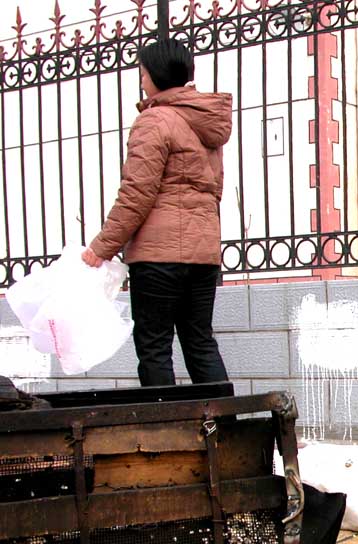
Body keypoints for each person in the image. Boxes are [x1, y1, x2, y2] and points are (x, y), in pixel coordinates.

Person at [81, 39, 232, 387]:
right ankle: (226, 431)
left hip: (159, 256)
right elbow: (214, 190)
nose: (142, 80)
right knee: (200, 342)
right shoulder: (207, 122)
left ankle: (169, 436)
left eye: (143, 73)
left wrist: (101, 248)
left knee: (154, 347)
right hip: (203, 254)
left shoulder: (153, 121)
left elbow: (137, 193)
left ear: (157, 75)